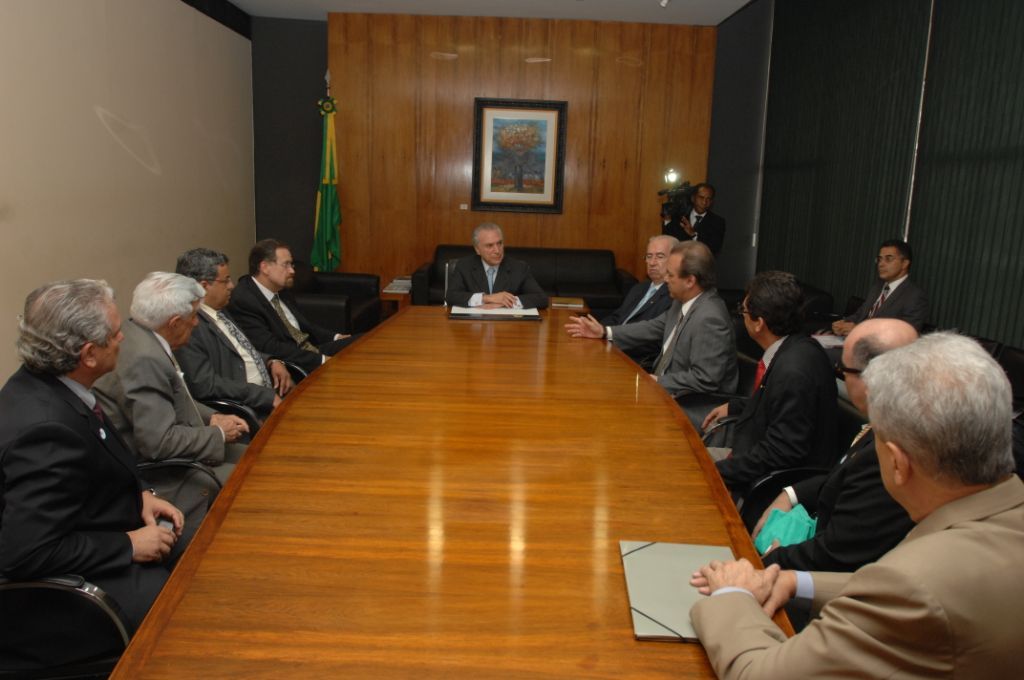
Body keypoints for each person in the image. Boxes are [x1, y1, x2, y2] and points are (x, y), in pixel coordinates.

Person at [689, 332, 1024, 679]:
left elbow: (758, 674)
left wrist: (732, 593)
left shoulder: (914, 582)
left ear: (897, 464)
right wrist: (796, 581)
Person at [0, 280, 184, 646]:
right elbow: (26, 553)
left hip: (98, 531)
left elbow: (95, 463)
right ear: (88, 354)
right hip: (58, 600)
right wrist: (128, 545)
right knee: (181, 611)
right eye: (115, 334)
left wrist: (141, 494)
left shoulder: (52, 385)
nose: (123, 338)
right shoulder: (46, 429)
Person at [93, 272, 248, 548]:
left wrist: (212, 416)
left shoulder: (138, 331)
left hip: (184, 444)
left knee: (258, 455)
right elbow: (159, 443)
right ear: (174, 323)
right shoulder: (144, 359)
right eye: (194, 316)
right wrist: (218, 434)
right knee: (255, 478)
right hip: (166, 475)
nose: (197, 322)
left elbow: (177, 397)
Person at [754, 318, 917, 573]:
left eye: (842, 370)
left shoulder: (894, 446)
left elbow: (837, 553)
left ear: (869, 378)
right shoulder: (893, 418)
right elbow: (844, 474)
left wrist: (773, 561)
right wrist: (791, 494)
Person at [565, 241, 737, 427]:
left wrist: (657, 381)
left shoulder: (710, 318)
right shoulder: (683, 301)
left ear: (690, 281)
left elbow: (705, 379)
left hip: (693, 406)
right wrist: (604, 331)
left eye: (670, 275)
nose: (665, 279)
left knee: (611, 414)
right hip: (666, 391)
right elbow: (653, 327)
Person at [703, 271, 838, 494]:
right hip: (751, 455)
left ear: (759, 323)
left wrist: (717, 471)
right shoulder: (795, 347)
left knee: (684, 471)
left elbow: (781, 452)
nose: (742, 316)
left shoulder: (793, 371)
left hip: (767, 482)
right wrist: (735, 406)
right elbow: (776, 404)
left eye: (743, 311)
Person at [174, 248, 293, 420]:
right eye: (226, 280)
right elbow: (205, 384)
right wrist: (262, 395)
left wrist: (271, 361)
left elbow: (241, 350)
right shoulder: (190, 325)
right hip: (250, 408)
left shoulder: (221, 310)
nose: (231, 286)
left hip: (272, 390)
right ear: (203, 287)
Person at [228, 238, 355, 374]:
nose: (292, 271)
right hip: (296, 364)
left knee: (362, 341)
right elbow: (272, 347)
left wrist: (336, 337)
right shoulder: (245, 300)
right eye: (286, 265)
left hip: (312, 349)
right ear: (265, 267)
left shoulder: (280, 289)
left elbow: (306, 326)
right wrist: (322, 360)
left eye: (291, 264)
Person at [831, 239, 929, 335]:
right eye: (879, 259)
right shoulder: (878, 286)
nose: (881, 264)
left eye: (888, 259)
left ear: (904, 263)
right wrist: (843, 324)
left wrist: (859, 330)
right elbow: (860, 315)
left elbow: (905, 334)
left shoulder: (915, 296)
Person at [445, 223, 548, 309]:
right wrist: (487, 298)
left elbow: (541, 298)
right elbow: (451, 296)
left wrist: (505, 302)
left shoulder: (519, 268)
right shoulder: (464, 266)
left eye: (499, 243)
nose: (497, 250)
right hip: (475, 324)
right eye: (490, 245)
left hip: (507, 324)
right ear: (477, 249)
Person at [600, 235, 676, 326]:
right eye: (649, 256)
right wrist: (598, 328)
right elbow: (617, 317)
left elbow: (652, 330)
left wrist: (609, 331)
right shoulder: (639, 288)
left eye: (660, 257)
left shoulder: (674, 295)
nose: (652, 263)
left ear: (675, 260)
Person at [662, 183, 725, 256]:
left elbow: (714, 249)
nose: (704, 202)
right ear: (693, 198)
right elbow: (667, 240)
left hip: (701, 262)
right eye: (701, 197)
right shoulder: (679, 217)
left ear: (712, 202)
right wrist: (667, 219)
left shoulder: (718, 222)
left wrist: (693, 234)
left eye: (708, 199)